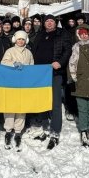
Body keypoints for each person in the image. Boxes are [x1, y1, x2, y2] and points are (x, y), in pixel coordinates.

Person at [30, 14, 72, 149]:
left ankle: (54, 132)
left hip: (54, 72)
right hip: (39, 73)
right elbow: (33, 51)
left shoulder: (62, 33)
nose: (49, 23)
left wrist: (60, 62)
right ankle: (45, 127)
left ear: (55, 23)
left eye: (51, 21)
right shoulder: (40, 35)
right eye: (47, 21)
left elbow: (68, 50)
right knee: (42, 101)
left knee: (55, 103)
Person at [68, 24, 89, 148]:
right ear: (78, 35)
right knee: (82, 109)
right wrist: (72, 79)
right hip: (80, 83)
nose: (84, 36)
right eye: (81, 34)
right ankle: (83, 131)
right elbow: (71, 65)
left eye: (86, 34)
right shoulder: (75, 49)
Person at [0, 30, 35, 149]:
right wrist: (14, 63)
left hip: (24, 84)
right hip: (11, 83)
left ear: (26, 40)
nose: (20, 41)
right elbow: (3, 62)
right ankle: (8, 130)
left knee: (21, 107)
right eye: (19, 39)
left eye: (23, 39)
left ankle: (19, 130)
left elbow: (32, 66)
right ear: (15, 40)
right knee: (10, 106)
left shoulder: (29, 53)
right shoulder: (10, 51)